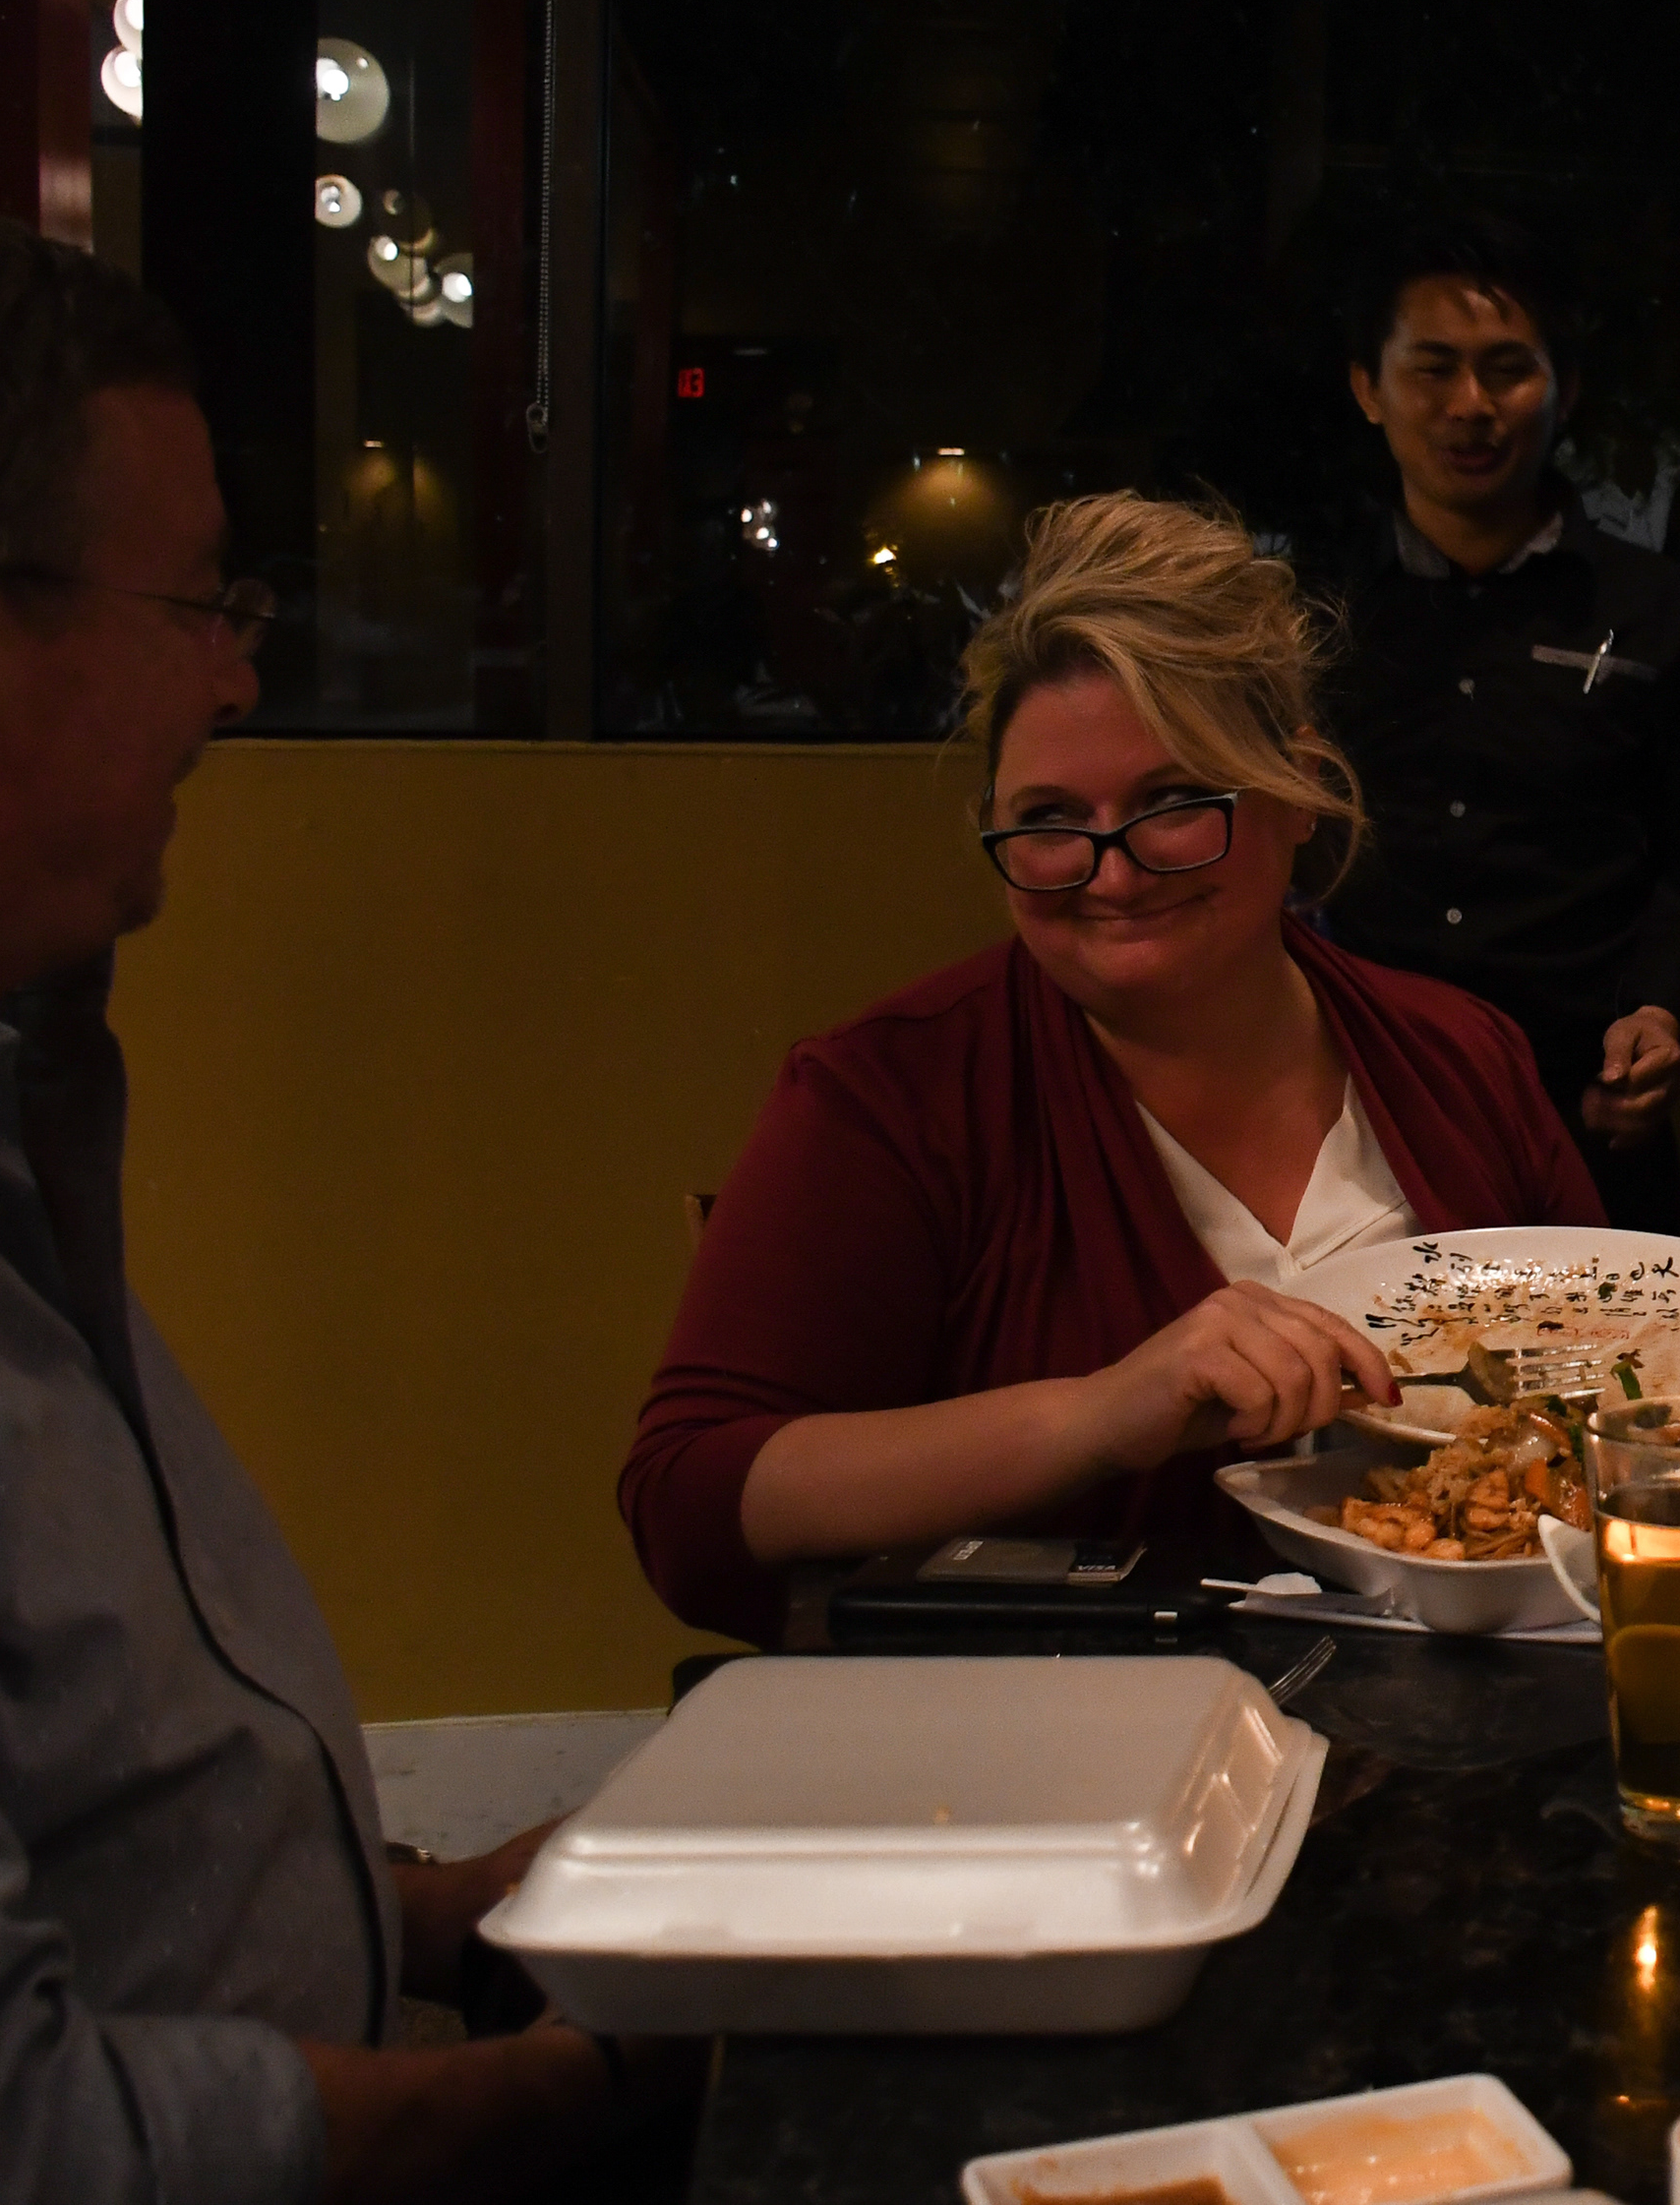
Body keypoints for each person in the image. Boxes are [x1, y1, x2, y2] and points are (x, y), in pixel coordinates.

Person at [0, 197, 687, 2203]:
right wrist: (594, 2085)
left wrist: (444, 1911)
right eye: (198, 608)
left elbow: (96, 1836)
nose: (234, 686)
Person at [624, 492, 1610, 1645]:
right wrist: (1097, 1414)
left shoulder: (1459, 1056)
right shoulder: (891, 1094)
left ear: (1295, 792)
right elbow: (690, 1499)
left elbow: (1607, 1394)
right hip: (1051, 1724)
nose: (1114, 873)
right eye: (1050, 818)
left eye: (1173, 803)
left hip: (1467, 1717)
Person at [1314, 215, 1680, 1237]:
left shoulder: (1659, 615)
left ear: (1565, 389)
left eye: (1508, 369)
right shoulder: (1311, 614)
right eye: (1434, 367)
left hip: (1586, 1114)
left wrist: (1660, 1013)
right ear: (1368, 387)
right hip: (1350, 1115)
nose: (1471, 405)